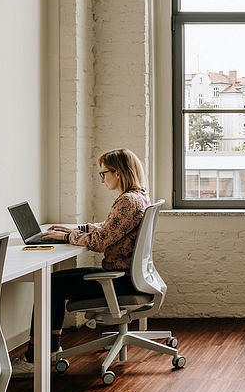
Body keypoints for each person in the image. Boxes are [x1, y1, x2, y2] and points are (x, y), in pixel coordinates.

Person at [11, 148, 150, 377]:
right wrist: (75, 229)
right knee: (52, 281)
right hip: (127, 275)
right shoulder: (138, 196)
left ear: (118, 173)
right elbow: (109, 228)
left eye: (103, 173)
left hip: (120, 280)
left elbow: (100, 242)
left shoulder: (127, 202)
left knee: (50, 285)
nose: (102, 179)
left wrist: (66, 237)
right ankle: (50, 350)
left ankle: (35, 359)